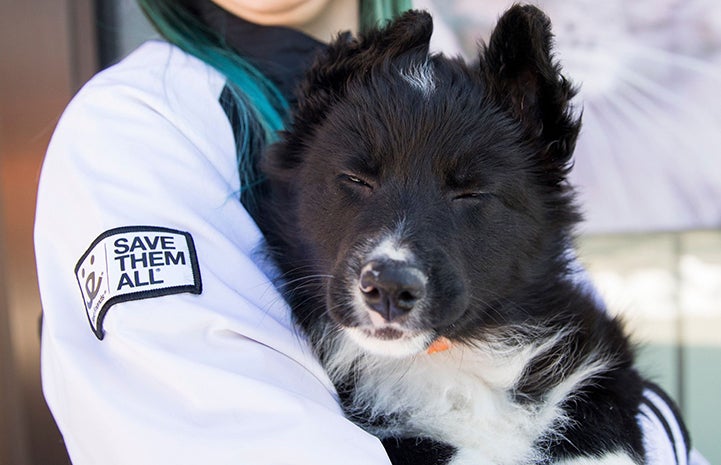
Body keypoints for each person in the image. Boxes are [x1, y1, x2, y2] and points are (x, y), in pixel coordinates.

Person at [34, 1, 705, 464]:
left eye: (467, 192)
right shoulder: (142, 123)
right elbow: (223, 435)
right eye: (355, 182)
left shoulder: (455, 99)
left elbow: (589, 366)